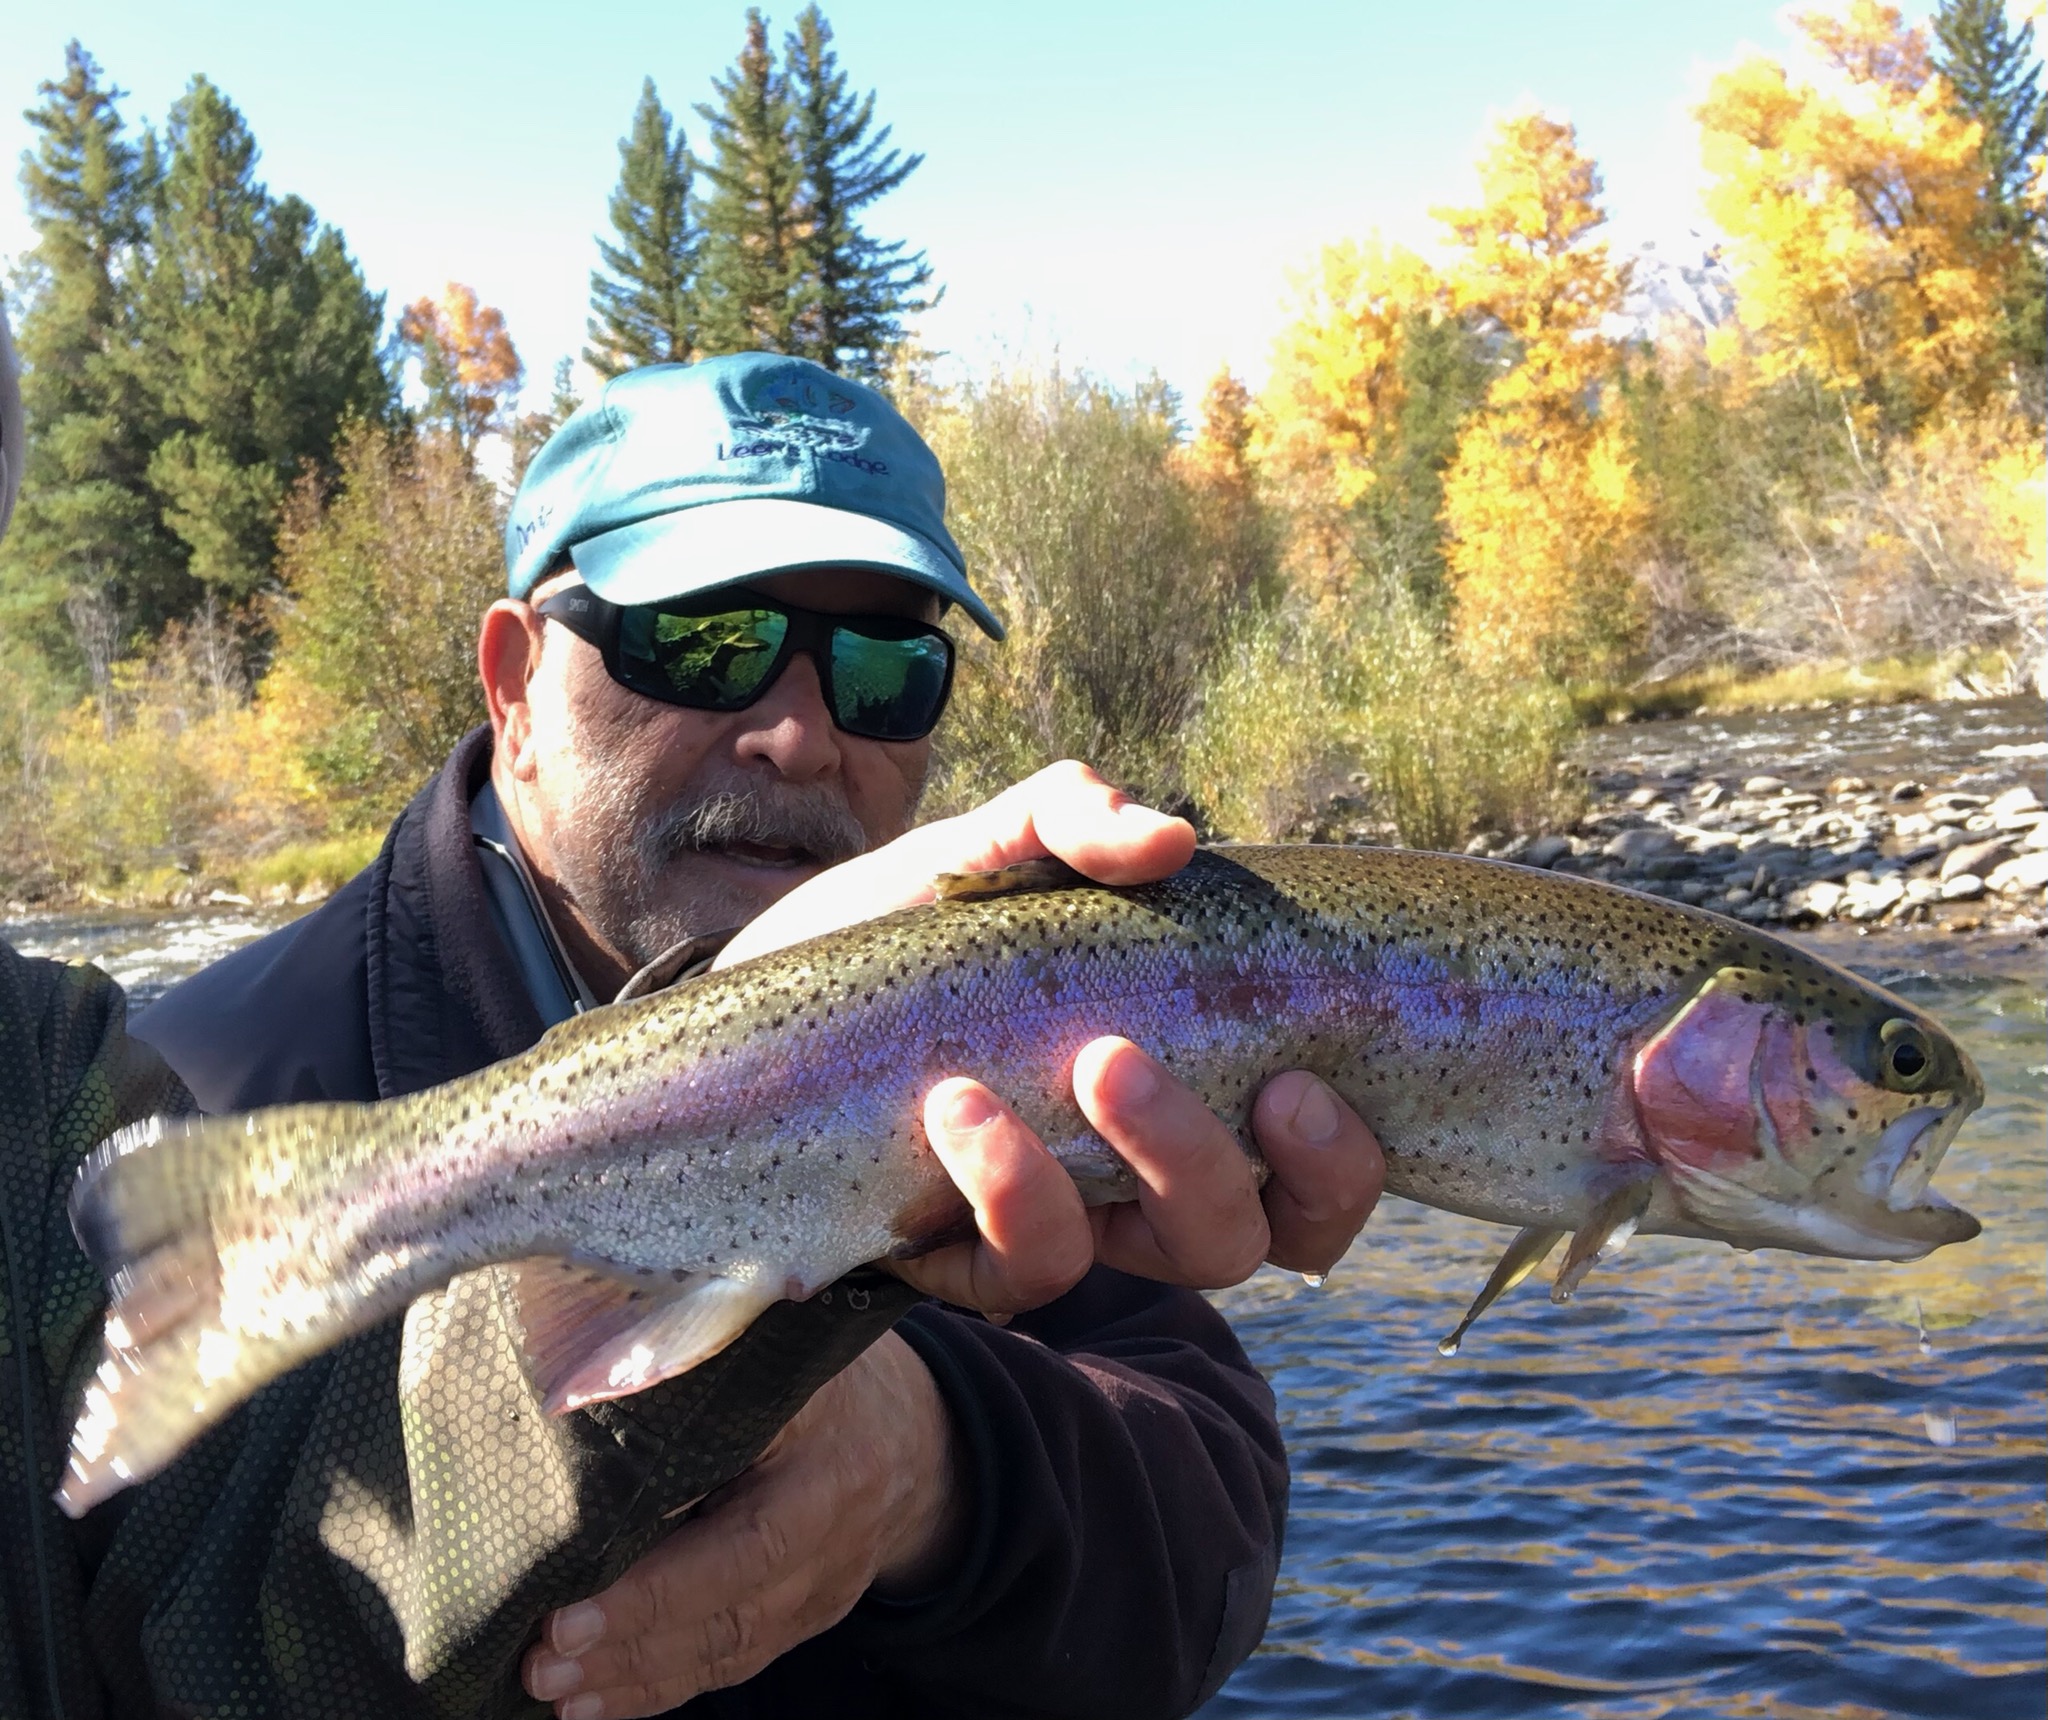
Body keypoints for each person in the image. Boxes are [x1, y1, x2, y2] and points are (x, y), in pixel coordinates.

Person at [120, 352, 1386, 1720]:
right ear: (515, 686)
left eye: (883, 669)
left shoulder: (1019, 1013)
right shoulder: (195, 1097)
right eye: (703, 641)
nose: (798, 732)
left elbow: (1212, 1540)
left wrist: (937, 1464)